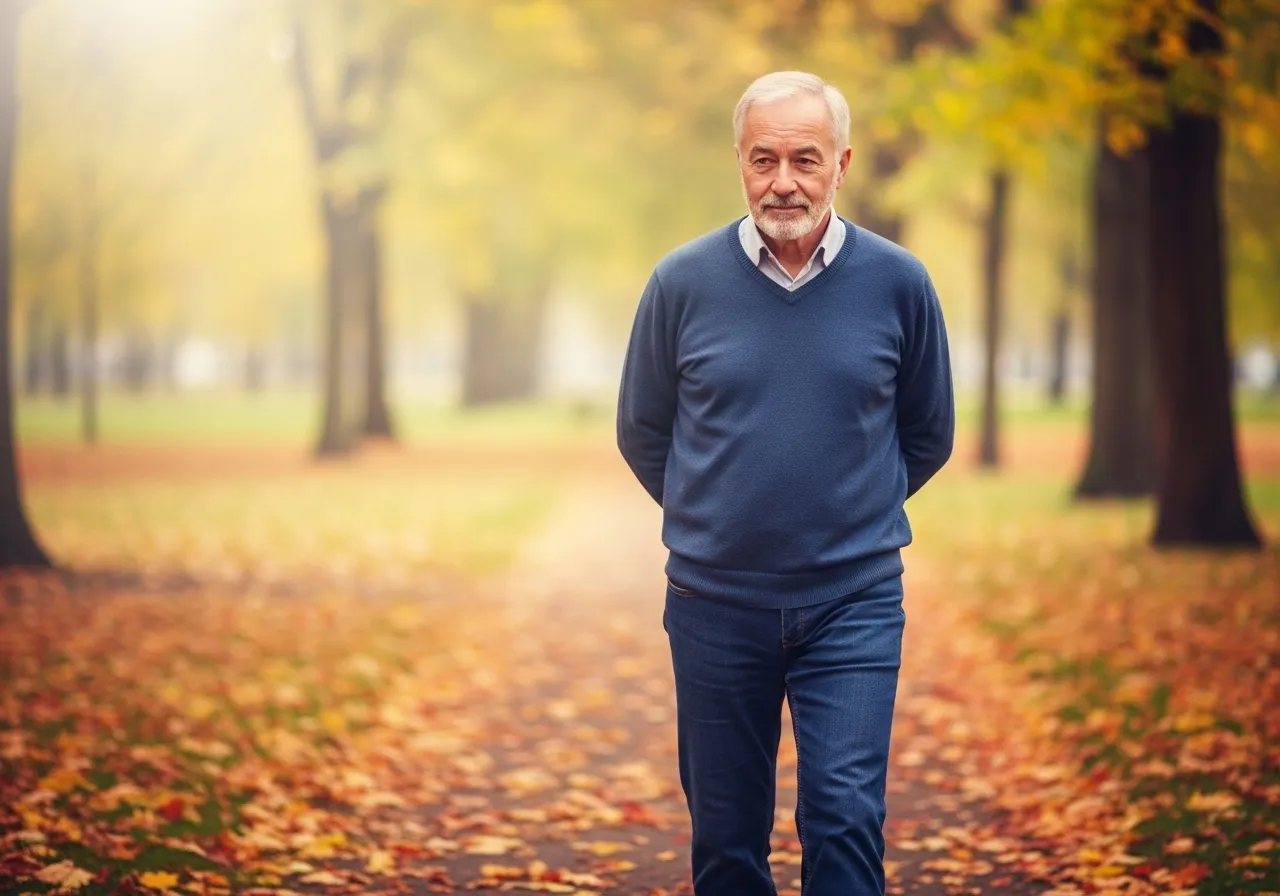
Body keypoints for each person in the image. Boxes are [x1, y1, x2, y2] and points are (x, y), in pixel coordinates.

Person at [615, 71, 955, 896]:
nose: (783, 181)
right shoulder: (681, 283)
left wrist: (847, 510)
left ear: (841, 165)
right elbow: (643, 430)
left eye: (804, 159)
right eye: (763, 159)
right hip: (712, 601)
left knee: (843, 820)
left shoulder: (899, 283)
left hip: (855, 601)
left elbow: (928, 432)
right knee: (728, 841)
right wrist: (717, 513)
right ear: (739, 163)